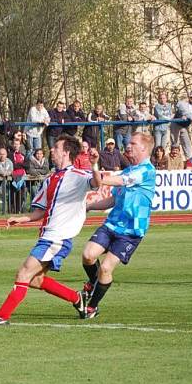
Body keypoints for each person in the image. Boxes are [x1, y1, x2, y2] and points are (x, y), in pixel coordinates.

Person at [0, 135, 96, 325]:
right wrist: (20, 219)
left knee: (23, 273)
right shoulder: (51, 179)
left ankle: (1, 317)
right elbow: (39, 212)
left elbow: (97, 183)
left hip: (57, 238)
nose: (51, 150)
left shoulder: (78, 176)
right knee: (35, 280)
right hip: (47, 237)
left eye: (55, 147)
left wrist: (95, 166)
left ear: (66, 152)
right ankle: (78, 299)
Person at [80, 132, 156, 319]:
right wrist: (88, 207)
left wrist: (97, 171)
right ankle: (93, 283)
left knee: (106, 268)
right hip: (112, 224)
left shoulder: (147, 171)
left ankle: (92, 306)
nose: (128, 145)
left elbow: (115, 181)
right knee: (88, 255)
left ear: (144, 148)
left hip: (132, 231)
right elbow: (113, 198)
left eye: (133, 143)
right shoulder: (128, 170)